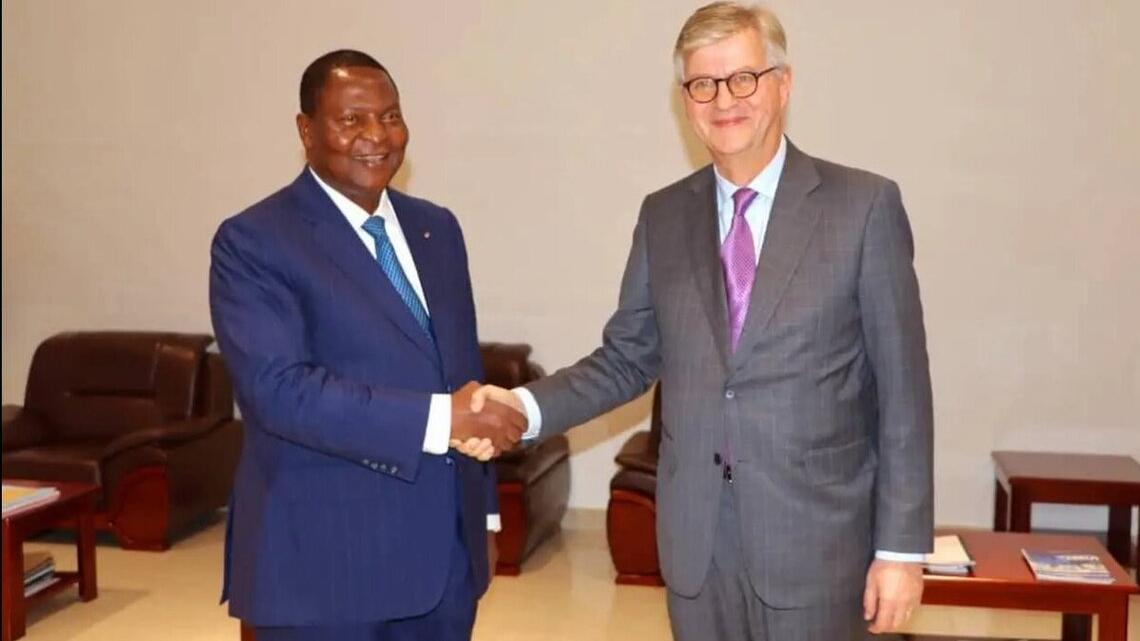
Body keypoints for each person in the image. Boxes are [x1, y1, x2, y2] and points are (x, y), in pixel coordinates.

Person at [472, 3, 933, 639]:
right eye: (703, 84)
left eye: (743, 78)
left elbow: (904, 391)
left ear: (783, 84)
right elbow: (627, 358)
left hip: (818, 545)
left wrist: (901, 550)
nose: (724, 100)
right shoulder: (663, 216)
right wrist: (521, 407)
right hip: (697, 547)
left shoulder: (863, 207)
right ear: (685, 100)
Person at [209, 49, 525, 641]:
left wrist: (482, 514)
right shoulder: (254, 240)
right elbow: (279, 392)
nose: (377, 136)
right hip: (326, 568)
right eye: (351, 119)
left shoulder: (437, 229)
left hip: (444, 564)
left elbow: (461, 370)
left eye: (390, 116)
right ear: (306, 130)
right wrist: (442, 418)